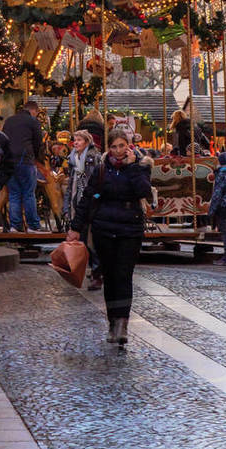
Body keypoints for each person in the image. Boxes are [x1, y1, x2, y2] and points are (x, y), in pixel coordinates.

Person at [66, 127, 153, 345]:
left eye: (121, 146)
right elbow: (88, 197)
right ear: (109, 148)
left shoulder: (140, 166)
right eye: (114, 147)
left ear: (128, 145)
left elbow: (144, 191)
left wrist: (132, 167)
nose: (118, 151)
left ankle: (122, 322)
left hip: (129, 228)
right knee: (110, 277)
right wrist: (76, 226)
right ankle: (112, 321)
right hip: (104, 227)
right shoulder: (102, 170)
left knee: (123, 275)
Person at [62, 129, 103, 290]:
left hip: (90, 203)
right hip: (77, 202)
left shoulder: (93, 159)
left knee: (91, 240)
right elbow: (71, 184)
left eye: (79, 140)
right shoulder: (74, 160)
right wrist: (67, 207)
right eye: (74, 140)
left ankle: (96, 272)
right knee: (83, 240)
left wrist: (95, 199)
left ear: (87, 142)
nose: (76, 142)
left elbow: (96, 183)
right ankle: (92, 270)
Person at [2, 99, 45, 232]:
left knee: (14, 194)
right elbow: (38, 143)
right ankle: (33, 225)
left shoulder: (9, 121)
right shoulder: (33, 122)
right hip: (25, 160)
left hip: (9, 161)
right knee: (28, 193)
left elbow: (4, 138)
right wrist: (38, 159)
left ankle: (15, 226)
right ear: (34, 111)